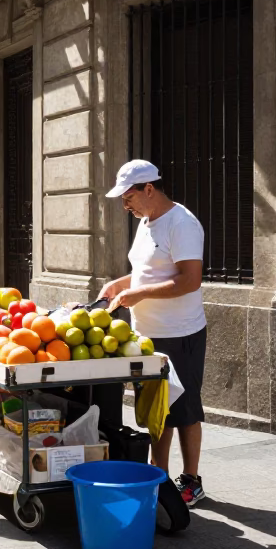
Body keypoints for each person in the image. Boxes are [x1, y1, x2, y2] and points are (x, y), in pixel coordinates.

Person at [100, 160, 207, 506]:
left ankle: (192, 480)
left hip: (181, 333)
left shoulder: (182, 223)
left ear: (149, 189)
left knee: (185, 408)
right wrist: (119, 285)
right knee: (157, 409)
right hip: (146, 335)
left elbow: (190, 280)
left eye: (128, 197)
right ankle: (159, 477)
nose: (125, 205)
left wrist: (140, 294)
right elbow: (145, 273)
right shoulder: (146, 222)